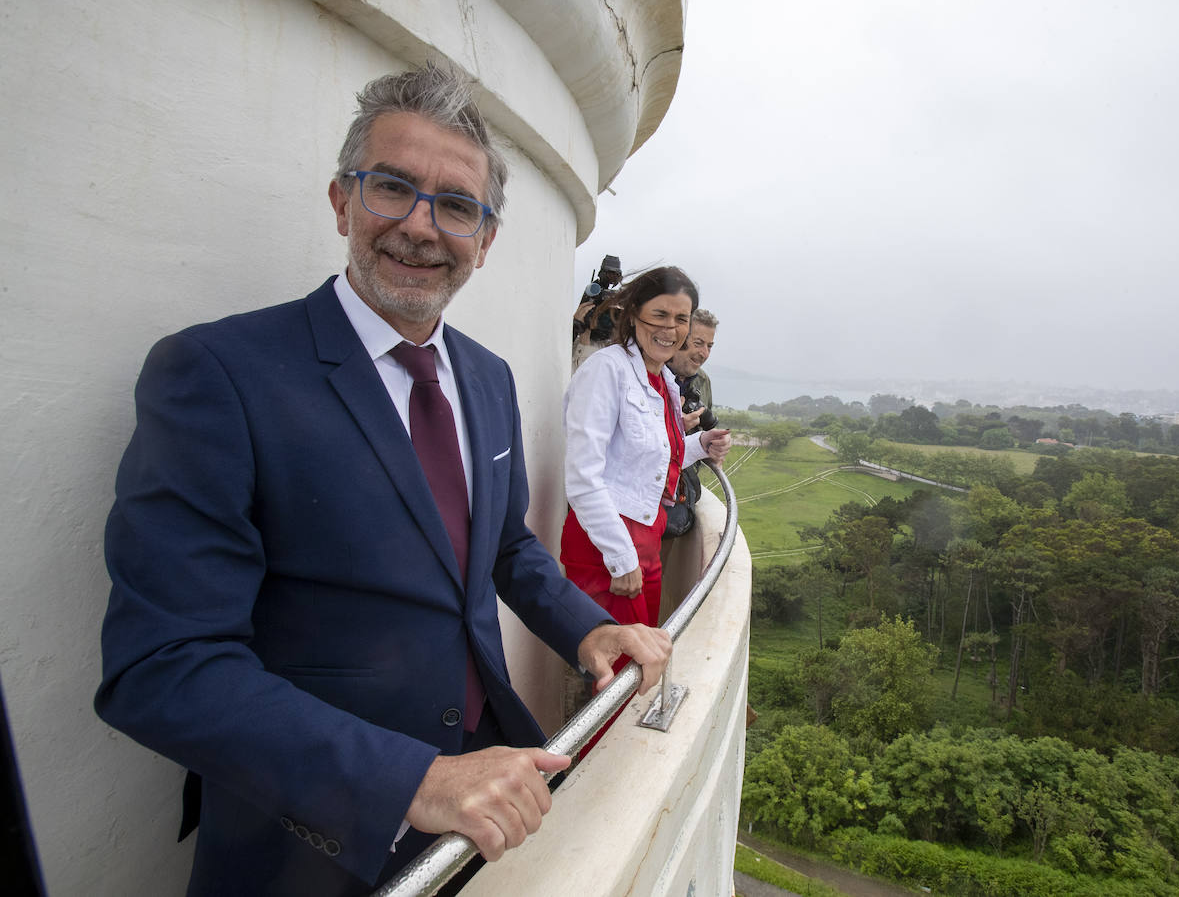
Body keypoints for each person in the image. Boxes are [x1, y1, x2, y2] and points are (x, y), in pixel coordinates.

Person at [93, 62, 671, 897]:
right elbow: (162, 666)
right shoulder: (218, 373)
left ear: (487, 238)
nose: (422, 227)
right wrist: (410, 781)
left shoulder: (487, 376)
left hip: (482, 785)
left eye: (457, 206)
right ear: (341, 201)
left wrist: (587, 631)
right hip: (310, 833)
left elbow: (502, 545)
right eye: (392, 187)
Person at [560, 269, 731, 630]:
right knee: (623, 666)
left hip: (647, 538)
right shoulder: (606, 371)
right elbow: (582, 477)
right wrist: (620, 557)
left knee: (639, 658)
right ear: (634, 313)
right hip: (606, 544)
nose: (671, 329)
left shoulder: (661, 380)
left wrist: (700, 445)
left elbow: (647, 461)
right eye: (660, 315)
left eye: (680, 319)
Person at [661, 309, 719, 538]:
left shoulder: (702, 381)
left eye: (710, 346)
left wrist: (713, 444)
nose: (704, 353)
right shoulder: (651, 373)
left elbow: (706, 429)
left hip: (678, 489)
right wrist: (674, 429)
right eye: (698, 343)